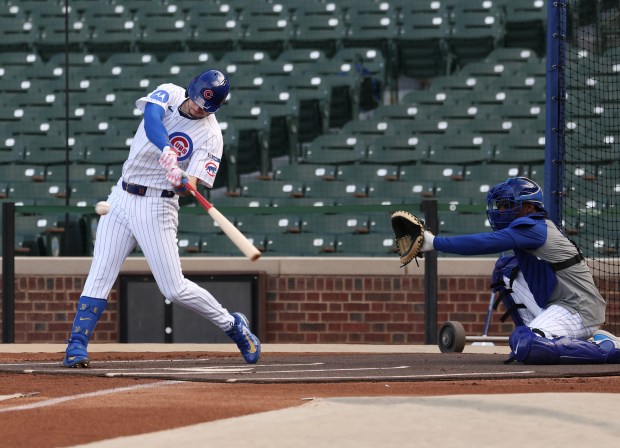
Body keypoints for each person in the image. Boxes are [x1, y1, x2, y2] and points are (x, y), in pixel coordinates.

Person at [63, 69, 261, 368]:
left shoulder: (210, 136)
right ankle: (76, 346)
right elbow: (152, 120)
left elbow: (190, 186)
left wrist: (181, 181)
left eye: (206, 106)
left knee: (174, 289)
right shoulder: (168, 92)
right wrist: (167, 148)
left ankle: (233, 325)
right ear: (190, 90)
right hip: (121, 196)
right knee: (101, 273)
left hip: (157, 205)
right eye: (196, 101)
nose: (198, 108)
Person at [418, 176, 620, 364]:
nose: (502, 210)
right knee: (506, 269)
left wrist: (434, 242)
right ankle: (540, 335)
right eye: (501, 205)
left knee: (528, 344)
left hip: (578, 309)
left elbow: (484, 243)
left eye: (508, 205)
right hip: (559, 303)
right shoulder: (532, 226)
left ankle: (607, 347)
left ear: (529, 207)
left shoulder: (533, 227)